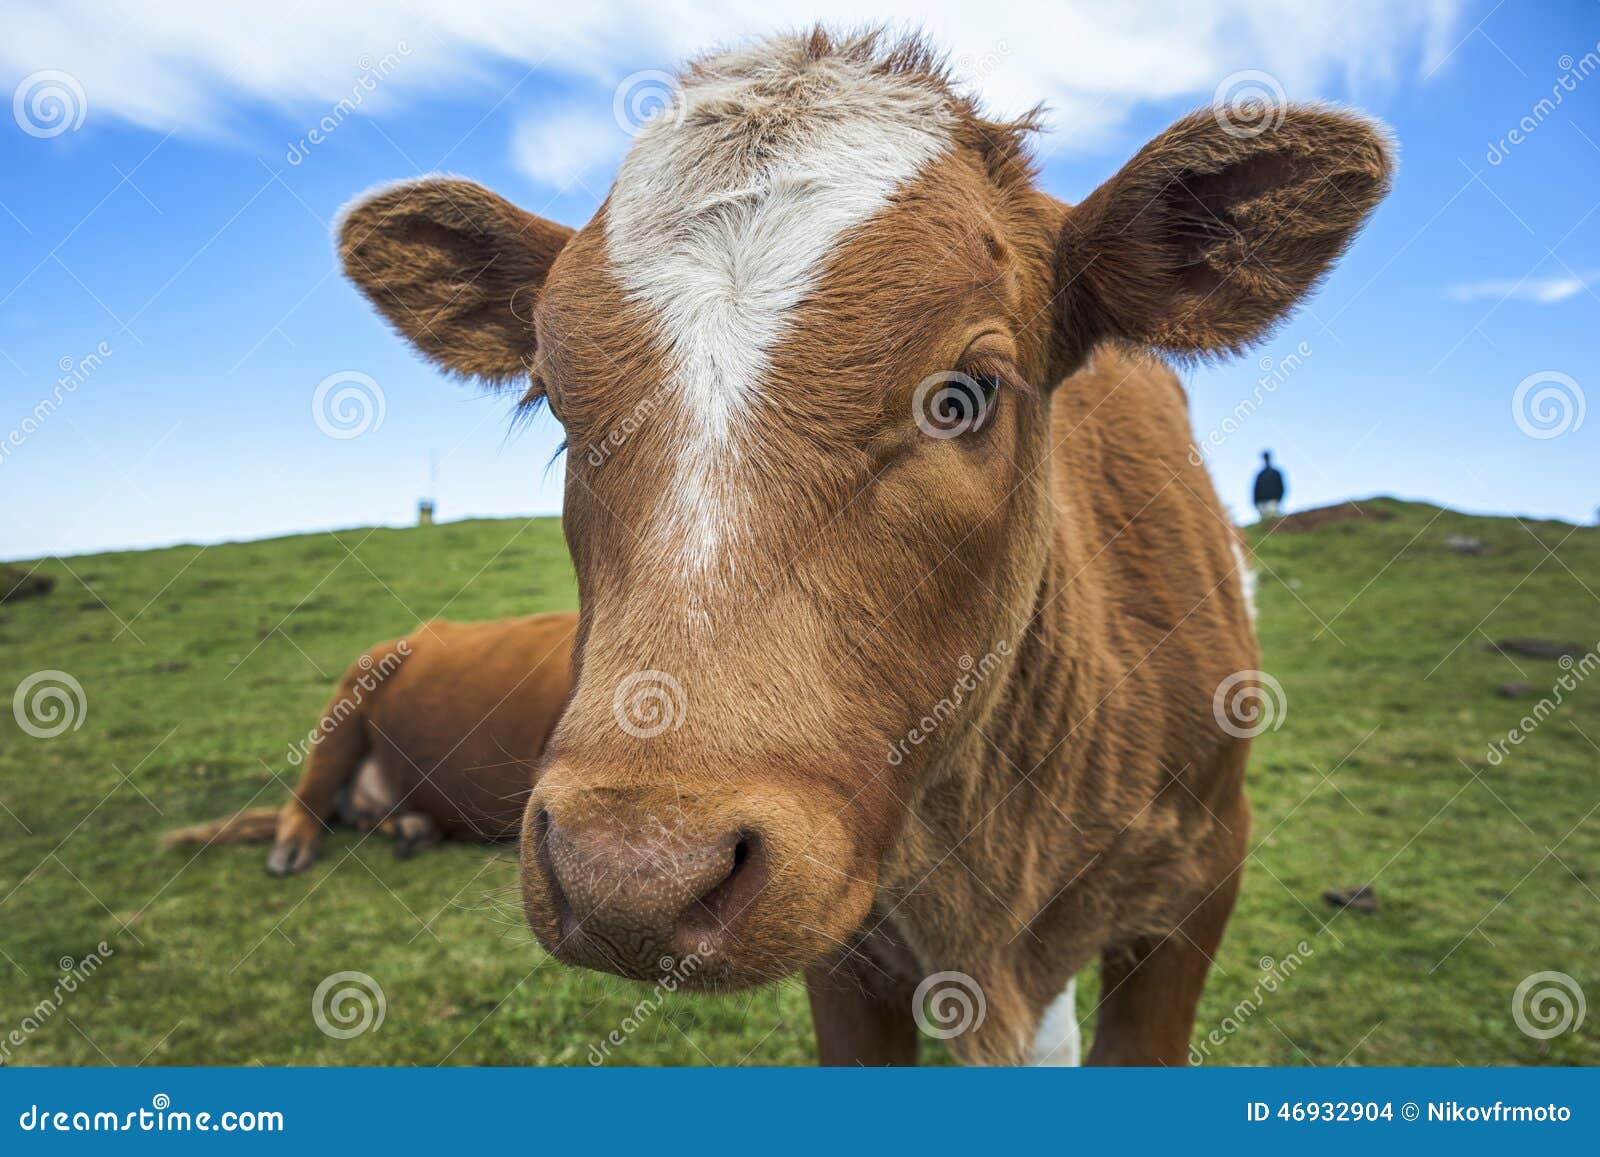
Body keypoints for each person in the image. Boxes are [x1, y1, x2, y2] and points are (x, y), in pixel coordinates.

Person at [1253, 451, 1285, 519]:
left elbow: (1281, 487)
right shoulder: (1260, 475)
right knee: (1265, 520)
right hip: (1261, 503)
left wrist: (1278, 499)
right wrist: (1256, 502)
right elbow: (1256, 490)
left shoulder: (1276, 473)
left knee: (1272, 519)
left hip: (1273, 502)